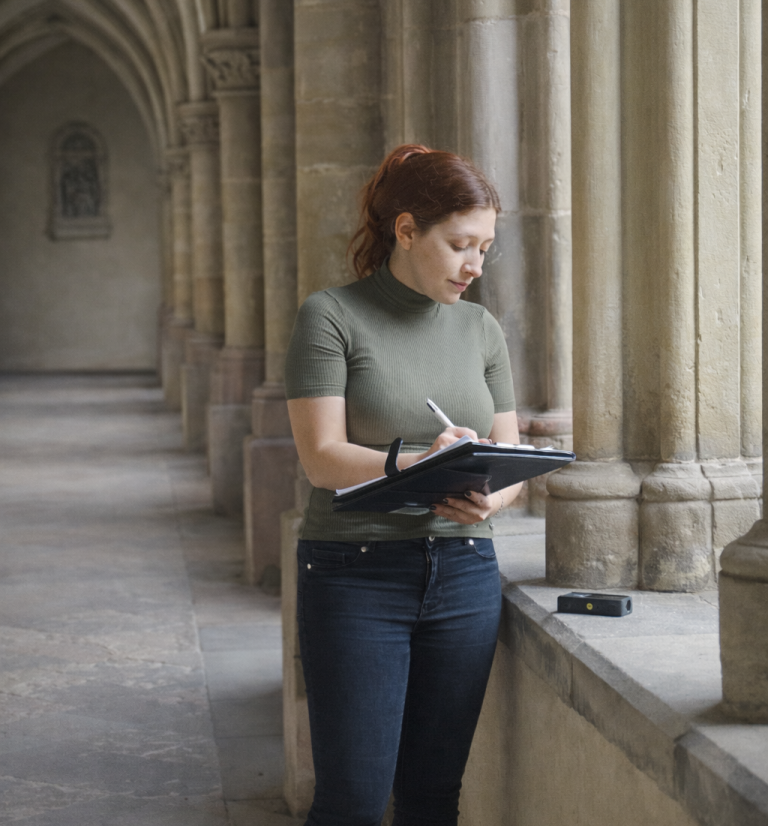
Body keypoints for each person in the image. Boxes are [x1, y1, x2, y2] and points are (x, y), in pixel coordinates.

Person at [285, 144, 522, 826]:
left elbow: (508, 456)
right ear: (407, 230)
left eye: (485, 248)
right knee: (352, 803)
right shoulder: (330, 315)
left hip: (466, 571)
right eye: (460, 245)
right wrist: (420, 461)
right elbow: (321, 459)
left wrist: (491, 498)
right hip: (354, 573)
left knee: (432, 799)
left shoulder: (481, 328)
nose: (475, 266)